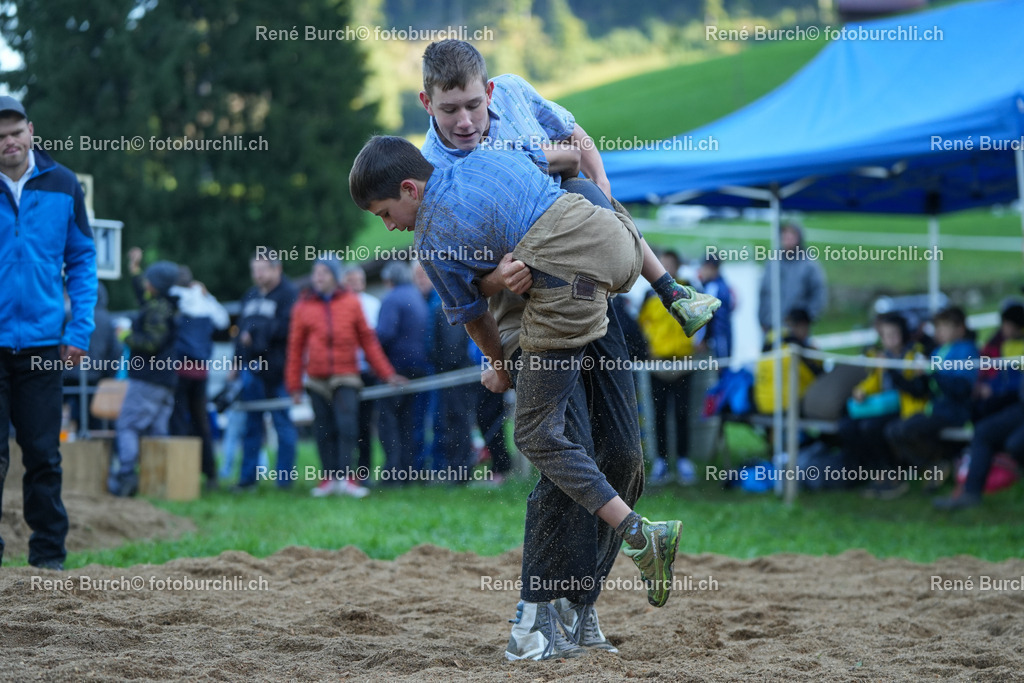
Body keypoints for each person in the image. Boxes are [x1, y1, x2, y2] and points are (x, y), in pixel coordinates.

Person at [416, 40, 718, 660]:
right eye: (449, 111)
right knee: (561, 448)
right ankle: (534, 613)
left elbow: (578, 142)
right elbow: (461, 288)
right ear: (427, 103)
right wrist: (498, 288)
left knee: (624, 456)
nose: (465, 121)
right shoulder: (430, 176)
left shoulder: (517, 96)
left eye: (472, 105)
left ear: (490, 92)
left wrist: (602, 201)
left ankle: (579, 606)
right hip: (530, 314)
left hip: (589, 287)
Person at [350, 135, 699, 660]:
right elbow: (572, 156)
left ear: (409, 188)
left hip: (569, 289)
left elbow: (472, 318)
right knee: (608, 453)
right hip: (624, 246)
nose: (388, 226)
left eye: (384, 213)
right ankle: (675, 292)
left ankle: (636, 534)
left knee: (536, 434)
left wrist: (499, 364)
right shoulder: (492, 157)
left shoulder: (433, 238)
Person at [0, 96, 97, 571]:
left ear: (31, 131)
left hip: (43, 345)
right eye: (0, 136)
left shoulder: (64, 184)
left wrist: (80, 329)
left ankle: (48, 558)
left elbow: (82, 259)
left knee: (43, 453)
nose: (9, 141)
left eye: (16, 131)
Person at [286, 257, 401, 498]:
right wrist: (294, 384)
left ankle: (348, 477)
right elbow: (295, 347)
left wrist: (387, 373)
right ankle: (329, 478)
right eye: (316, 272)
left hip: (346, 375)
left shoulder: (351, 302)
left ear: (335, 276)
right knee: (323, 429)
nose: (318, 277)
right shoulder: (303, 306)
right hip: (316, 378)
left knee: (347, 426)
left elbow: (368, 341)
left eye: (324, 272)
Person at [883, 306, 979, 498]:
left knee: (907, 430)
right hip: (934, 409)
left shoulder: (967, 351)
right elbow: (922, 389)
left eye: (944, 327)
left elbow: (961, 390)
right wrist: (905, 374)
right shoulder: (937, 351)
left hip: (955, 412)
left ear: (960, 329)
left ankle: (939, 464)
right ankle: (933, 464)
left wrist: (932, 373)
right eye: (938, 327)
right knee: (892, 430)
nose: (939, 332)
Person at [157, 258, 230, 492]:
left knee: (178, 420)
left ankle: (181, 476)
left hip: (178, 370)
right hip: (201, 372)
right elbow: (223, 320)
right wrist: (207, 295)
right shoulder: (204, 301)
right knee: (201, 422)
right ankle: (211, 475)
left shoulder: (172, 297)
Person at [108, 261, 180, 497]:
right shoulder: (167, 305)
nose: (145, 284)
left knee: (127, 425)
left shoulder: (156, 310)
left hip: (148, 379)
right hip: (165, 380)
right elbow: (143, 296)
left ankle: (126, 477)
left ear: (156, 285)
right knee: (156, 431)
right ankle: (160, 483)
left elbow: (152, 342)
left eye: (148, 280)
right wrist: (135, 271)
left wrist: (126, 336)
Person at [839, 313, 928, 497]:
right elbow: (874, 381)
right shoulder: (882, 356)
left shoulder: (914, 355)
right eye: (886, 335)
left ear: (903, 333)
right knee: (847, 426)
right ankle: (872, 471)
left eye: (894, 334)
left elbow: (916, 389)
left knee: (871, 427)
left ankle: (893, 474)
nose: (890, 339)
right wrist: (861, 391)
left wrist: (891, 369)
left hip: (907, 408)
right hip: (884, 405)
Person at [233, 253, 298, 490]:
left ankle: (284, 482)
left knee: (282, 425)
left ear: (277, 268)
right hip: (251, 371)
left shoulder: (289, 294)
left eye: (262, 269)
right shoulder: (250, 296)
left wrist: (256, 336)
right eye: (254, 269)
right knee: (251, 426)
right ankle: (247, 479)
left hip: (278, 371)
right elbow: (240, 331)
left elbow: (287, 329)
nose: (257, 274)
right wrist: (236, 362)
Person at [637, 250, 700, 485]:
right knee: (659, 413)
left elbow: (704, 316)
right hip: (658, 363)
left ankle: (684, 460)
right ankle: (661, 462)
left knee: (683, 412)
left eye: (670, 263)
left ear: (678, 265)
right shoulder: (649, 294)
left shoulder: (689, 290)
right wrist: (647, 348)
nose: (666, 267)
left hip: (684, 361)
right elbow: (641, 325)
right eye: (662, 263)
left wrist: (699, 342)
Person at [375, 261, 430, 485]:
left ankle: (392, 473)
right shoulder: (417, 296)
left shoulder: (391, 299)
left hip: (396, 369)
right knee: (409, 422)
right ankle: (409, 472)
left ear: (389, 280)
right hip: (419, 367)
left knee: (388, 422)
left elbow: (385, 333)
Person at [344, 265, 381, 481]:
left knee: (365, 425)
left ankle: (363, 471)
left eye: (359, 280)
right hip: (346, 372)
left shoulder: (373, 304)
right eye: (351, 280)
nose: (356, 284)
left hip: (367, 372)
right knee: (347, 424)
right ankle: (344, 471)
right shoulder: (339, 305)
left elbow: (378, 338)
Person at [758, 221, 828, 332]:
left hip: (796, 328)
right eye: (785, 235)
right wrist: (762, 318)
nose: (788, 239)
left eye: (792, 235)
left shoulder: (809, 264)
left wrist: (807, 317)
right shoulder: (772, 262)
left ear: (799, 238)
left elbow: (818, 293)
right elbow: (763, 292)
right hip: (771, 325)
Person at [698, 253, 734, 360]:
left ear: (711, 268)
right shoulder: (722, 285)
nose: (701, 271)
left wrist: (704, 339)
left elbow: (708, 315)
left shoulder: (713, 287)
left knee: (720, 366)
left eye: (704, 267)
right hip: (722, 336)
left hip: (717, 338)